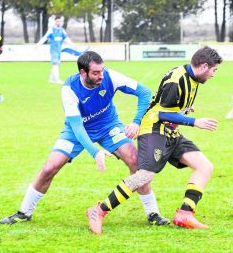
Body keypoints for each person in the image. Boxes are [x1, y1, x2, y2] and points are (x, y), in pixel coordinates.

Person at [0, 51, 169, 226]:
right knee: (50, 168)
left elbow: (144, 92)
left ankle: (153, 214)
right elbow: (78, 127)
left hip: (109, 126)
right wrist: (95, 152)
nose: (101, 76)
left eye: (102, 71)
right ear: (83, 72)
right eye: (95, 73)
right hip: (77, 130)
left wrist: (136, 122)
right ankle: (24, 213)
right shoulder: (69, 89)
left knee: (135, 161)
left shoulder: (110, 77)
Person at [87, 46, 223, 234]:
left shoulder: (193, 77)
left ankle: (185, 213)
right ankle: (99, 210)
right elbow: (162, 113)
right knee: (144, 175)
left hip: (171, 131)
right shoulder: (178, 79)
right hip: (155, 128)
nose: (213, 75)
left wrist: (184, 110)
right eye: (214, 70)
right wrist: (195, 122)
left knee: (204, 166)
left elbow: (170, 106)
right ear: (204, 66)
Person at [36, 16, 76, 84]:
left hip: (59, 50)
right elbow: (45, 38)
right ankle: (57, 79)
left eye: (59, 21)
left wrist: (73, 45)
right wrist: (38, 44)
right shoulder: (51, 30)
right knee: (56, 64)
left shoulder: (62, 30)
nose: (58, 22)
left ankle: (50, 79)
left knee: (56, 64)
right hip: (53, 50)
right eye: (57, 21)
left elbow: (66, 39)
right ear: (55, 22)